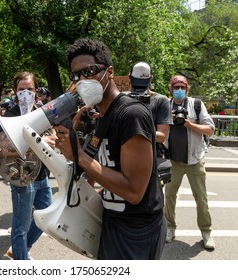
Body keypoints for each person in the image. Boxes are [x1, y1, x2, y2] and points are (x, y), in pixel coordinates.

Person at [55, 38, 166, 260]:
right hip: (113, 220)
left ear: (110, 72)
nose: (82, 80)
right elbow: (107, 168)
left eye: (89, 71)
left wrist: (79, 155)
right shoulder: (103, 116)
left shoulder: (131, 115)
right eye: (75, 76)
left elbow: (134, 192)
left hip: (136, 231)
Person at [1, 71, 56, 260]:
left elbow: (52, 135)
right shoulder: (11, 113)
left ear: (36, 90)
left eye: (30, 89)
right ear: (15, 91)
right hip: (22, 177)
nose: (26, 93)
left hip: (42, 175)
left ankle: (19, 250)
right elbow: (6, 148)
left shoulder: (41, 112)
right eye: (21, 89)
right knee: (20, 226)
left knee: (45, 217)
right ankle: (21, 260)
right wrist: (39, 141)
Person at [164, 75, 216, 250]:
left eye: (183, 87)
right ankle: (169, 228)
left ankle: (206, 232)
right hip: (173, 161)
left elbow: (209, 129)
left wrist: (188, 124)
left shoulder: (196, 105)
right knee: (169, 197)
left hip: (195, 160)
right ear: (170, 89)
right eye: (176, 87)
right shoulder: (166, 105)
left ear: (187, 89)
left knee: (201, 198)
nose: (179, 90)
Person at [129, 62, 173, 147]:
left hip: (152, 154)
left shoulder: (161, 101)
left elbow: (162, 136)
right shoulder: (122, 99)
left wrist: (132, 133)